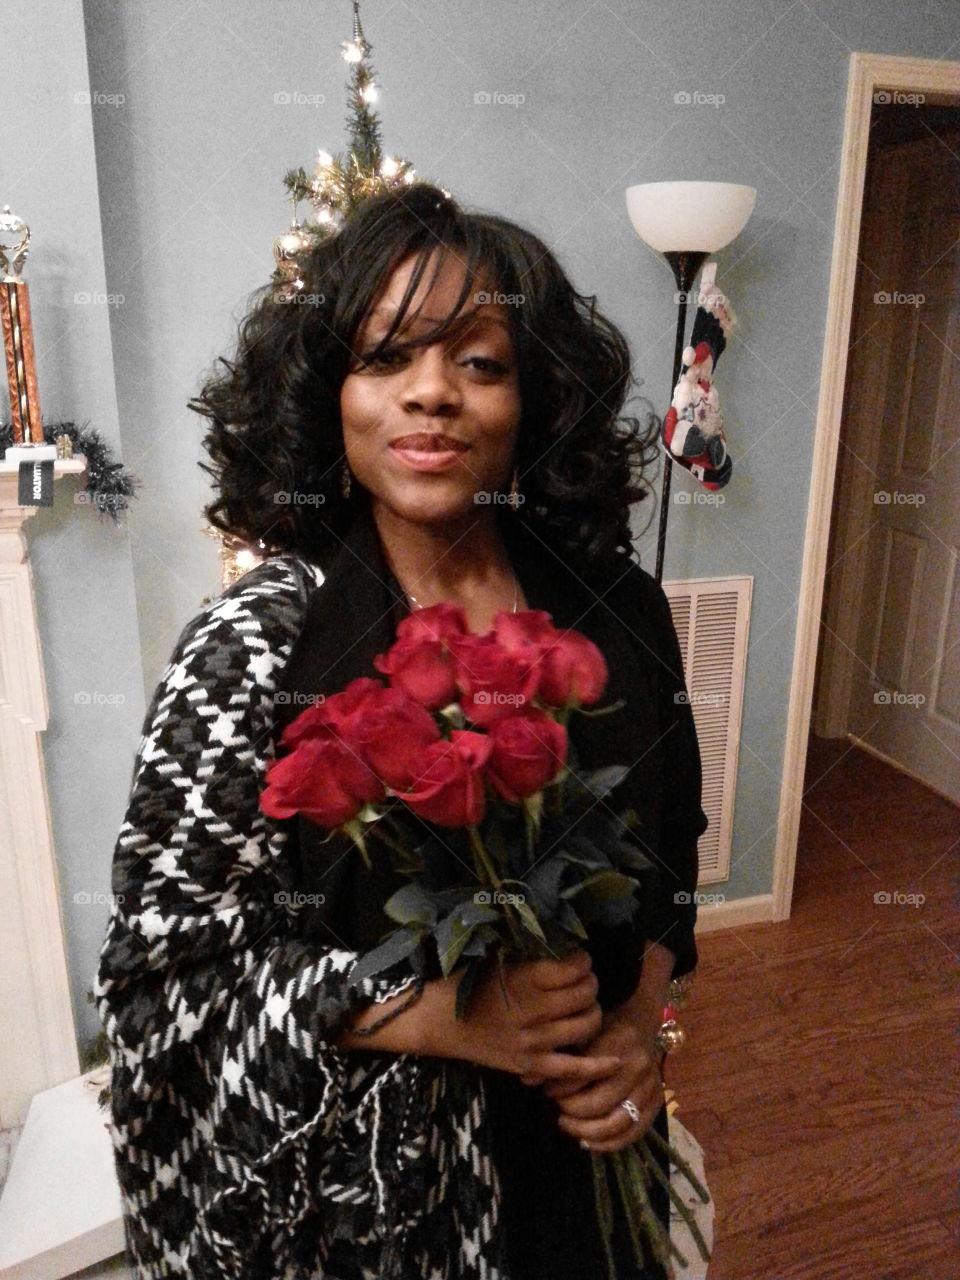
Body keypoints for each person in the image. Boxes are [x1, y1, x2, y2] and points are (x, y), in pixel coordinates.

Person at [95, 182, 706, 1280]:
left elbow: (671, 863)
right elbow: (165, 981)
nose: (432, 394)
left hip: (591, 1157)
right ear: (331, 393)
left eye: (479, 363)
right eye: (385, 359)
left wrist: (637, 1035)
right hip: (385, 1210)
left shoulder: (619, 610)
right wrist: (445, 1015)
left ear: (535, 399)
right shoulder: (254, 648)